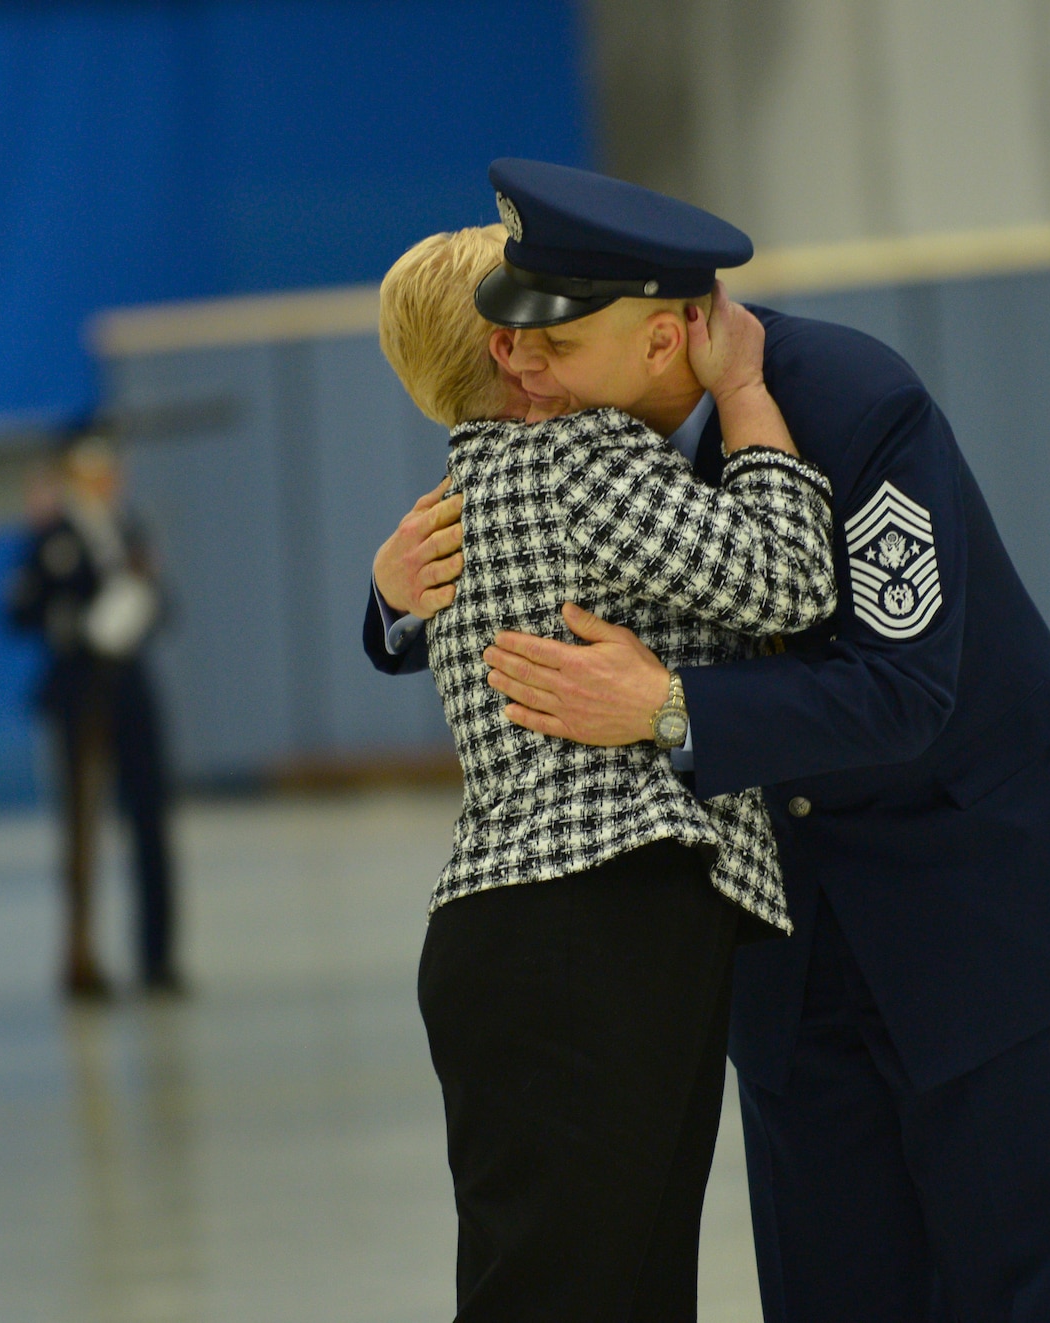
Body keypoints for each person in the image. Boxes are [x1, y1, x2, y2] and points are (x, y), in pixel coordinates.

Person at [369, 160, 1050, 1320]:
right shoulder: (580, 438)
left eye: (554, 350)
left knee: (1032, 1292)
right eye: (512, 347)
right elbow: (480, 563)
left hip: (979, 933)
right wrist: (390, 603)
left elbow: (902, 692)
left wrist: (669, 710)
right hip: (787, 966)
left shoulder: (849, 406)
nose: (523, 375)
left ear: (668, 337)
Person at [380, 221, 837, 1317]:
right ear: (511, 349)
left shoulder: (465, 487)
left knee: (584, 1283)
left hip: (533, 929)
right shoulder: (576, 459)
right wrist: (745, 398)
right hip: (596, 919)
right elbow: (785, 578)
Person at [5, 435, 181, 998]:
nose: (106, 480)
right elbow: (20, 609)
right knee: (82, 824)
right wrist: (79, 623)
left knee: (151, 817)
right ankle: (80, 956)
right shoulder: (52, 536)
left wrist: (141, 610)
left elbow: (163, 598)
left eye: (110, 469)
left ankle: (158, 957)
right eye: (92, 470)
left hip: (130, 686)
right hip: (79, 690)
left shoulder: (129, 529)